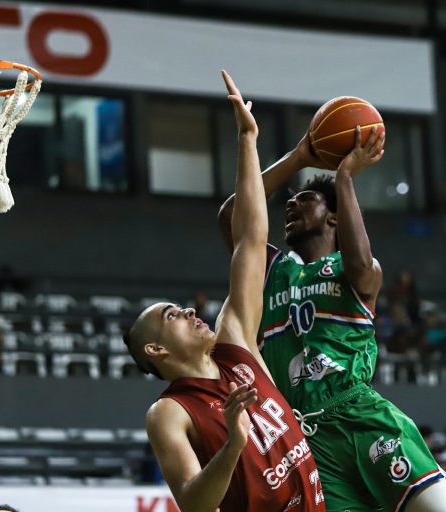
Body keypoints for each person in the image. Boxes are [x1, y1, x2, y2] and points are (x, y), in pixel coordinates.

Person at [218, 116, 446, 511]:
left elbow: (361, 260)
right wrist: (298, 158)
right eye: (291, 200)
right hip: (306, 439)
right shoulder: (273, 272)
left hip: (360, 417)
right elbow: (232, 214)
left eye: (305, 199)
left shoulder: (356, 271)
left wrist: (345, 178)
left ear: (334, 217)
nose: (291, 204)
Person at [125, 71, 325, 511]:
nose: (188, 312)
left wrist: (248, 141)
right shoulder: (169, 412)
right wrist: (234, 443)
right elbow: (193, 504)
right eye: (172, 315)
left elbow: (250, 239)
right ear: (156, 349)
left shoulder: (235, 344)